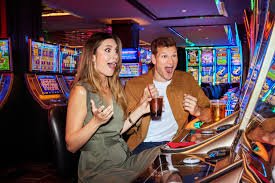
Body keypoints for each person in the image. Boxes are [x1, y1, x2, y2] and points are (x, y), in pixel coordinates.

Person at [65, 32, 159, 183]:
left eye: (116, 51)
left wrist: (142, 108)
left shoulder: (114, 88)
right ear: (93, 57)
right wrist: (95, 122)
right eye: (108, 50)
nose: (115, 56)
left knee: (165, 152)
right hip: (99, 169)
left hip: (124, 160)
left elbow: (117, 130)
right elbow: (71, 145)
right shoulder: (81, 90)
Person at [125, 36, 212, 154]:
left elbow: (209, 115)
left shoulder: (186, 80)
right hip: (144, 145)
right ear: (154, 59)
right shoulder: (134, 85)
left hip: (176, 143)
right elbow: (125, 130)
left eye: (174, 56)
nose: (170, 62)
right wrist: (141, 107)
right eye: (164, 56)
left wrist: (197, 111)